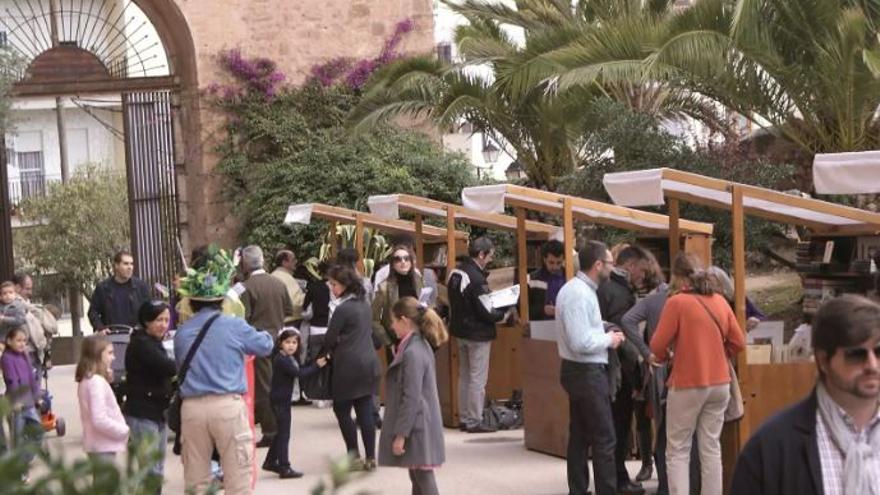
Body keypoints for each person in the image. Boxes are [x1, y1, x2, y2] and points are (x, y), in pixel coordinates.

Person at [731, 294, 880, 495]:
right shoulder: (770, 449)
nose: (872, 365)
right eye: (856, 355)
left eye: (878, 352)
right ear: (823, 361)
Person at [174, 247, 274, 494]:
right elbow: (265, 345)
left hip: (192, 410)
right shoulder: (233, 325)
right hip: (227, 406)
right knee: (237, 479)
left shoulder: (182, 333)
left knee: (197, 482)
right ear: (222, 299)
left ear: (191, 302)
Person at [650, 253, 746, 495]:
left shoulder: (677, 302)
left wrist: (665, 357)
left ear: (680, 277)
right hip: (720, 384)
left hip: (686, 384)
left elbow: (657, 345)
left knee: (678, 450)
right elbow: (738, 342)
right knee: (711, 447)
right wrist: (720, 352)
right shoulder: (720, 301)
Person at [621, 255, 701, 495]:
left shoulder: (656, 301)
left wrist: (647, 354)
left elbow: (627, 320)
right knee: (695, 438)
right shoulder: (701, 300)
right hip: (695, 373)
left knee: (666, 431)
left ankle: (667, 486)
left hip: (662, 372)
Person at [557, 241, 625, 495]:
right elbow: (580, 341)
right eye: (609, 263)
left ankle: (578, 489)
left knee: (581, 434)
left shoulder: (579, 290)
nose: (612, 268)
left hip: (580, 371)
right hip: (586, 371)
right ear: (598, 265)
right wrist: (611, 339)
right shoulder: (579, 294)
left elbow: (582, 331)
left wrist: (602, 326)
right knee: (604, 438)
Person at [378, 297, 447, 495]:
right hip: (419, 423)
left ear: (404, 321)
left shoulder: (412, 352)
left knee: (423, 476)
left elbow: (411, 397)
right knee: (417, 475)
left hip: (417, 425)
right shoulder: (418, 345)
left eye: (393, 321)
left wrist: (401, 435)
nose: (391, 326)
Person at [598, 245, 651, 495]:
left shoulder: (607, 287)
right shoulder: (619, 293)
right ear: (629, 266)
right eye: (641, 270)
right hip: (618, 370)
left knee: (613, 426)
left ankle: (614, 478)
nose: (643, 276)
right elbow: (623, 337)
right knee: (619, 425)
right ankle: (619, 479)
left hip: (606, 367)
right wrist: (638, 373)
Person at [448, 236, 507, 433]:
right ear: (481, 254)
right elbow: (486, 310)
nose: (490, 259)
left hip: (460, 331)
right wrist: (503, 315)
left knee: (464, 376)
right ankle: (474, 420)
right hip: (477, 333)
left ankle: (465, 417)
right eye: (489, 255)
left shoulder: (455, 272)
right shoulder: (476, 278)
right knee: (477, 378)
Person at [324, 264, 381, 470]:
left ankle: (353, 455)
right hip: (369, 361)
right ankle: (371, 457)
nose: (331, 288)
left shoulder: (342, 309)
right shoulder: (364, 304)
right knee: (365, 409)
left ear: (345, 285)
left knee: (342, 409)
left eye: (334, 284)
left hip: (347, 364)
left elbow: (329, 338)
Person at [239, 245, 295, 448]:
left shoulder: (246, 287)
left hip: (258, 342)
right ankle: (279, 427)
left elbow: (241, 317)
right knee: (278, 385)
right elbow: (289, 309)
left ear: (245, 263)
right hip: (278, 339)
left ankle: (271, 431)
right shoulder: (278, 283)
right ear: (263, 260)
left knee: (264, 388)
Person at [124, 301, 176, 493]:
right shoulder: (142, 344)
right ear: (146, 321)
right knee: (150, 470)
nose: (163, 324)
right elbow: (168, 367)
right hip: (142, 413)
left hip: (156, 412)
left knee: (157, 468)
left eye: (166, 320)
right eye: (158, 320)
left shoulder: (153, 342)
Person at [263, 328, 328, 479]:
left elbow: (299, 369)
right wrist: (317, 366)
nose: (291, 345)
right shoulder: (282, 360)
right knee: (284, 434)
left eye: (294, 342)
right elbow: (300, 373)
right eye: (287, 342)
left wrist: (314, 363)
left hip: (280, 399)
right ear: (280, 343)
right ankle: (284, 467)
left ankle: (271, 461)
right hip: (280, 401)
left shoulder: (286, 357)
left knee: (280, 433)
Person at [76, 335, 130, 462]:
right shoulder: (96, 382)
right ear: (97, 355)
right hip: (102, 444)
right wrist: (123, 430)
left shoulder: (89, 380)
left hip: (98, 443)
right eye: (110, 353)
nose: (114, 357)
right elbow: (99, 419)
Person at [1, 327, 44, 473]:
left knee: (38, 433)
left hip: (30, 403)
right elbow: (12, 381)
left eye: (24, 341)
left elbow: (32, 378)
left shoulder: (24, 355)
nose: (22, 344)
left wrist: (37, 396)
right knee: (17, 439)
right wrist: (16, 400)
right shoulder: (6, 358)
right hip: (16, 405)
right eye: (18, 340)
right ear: (9, 341)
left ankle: (22, 462)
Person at [372, 245, 424, 350]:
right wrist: (389, 343)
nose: (403, 262)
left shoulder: (418, 280)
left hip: (419, 336)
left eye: (406, 258)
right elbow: (374, 319)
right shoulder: (384, 287)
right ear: (392, 264)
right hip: (397, 340)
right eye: (398, 259)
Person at [88, 250, 151, 333]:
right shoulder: (103, 288)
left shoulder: (141, 287)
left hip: (136, 337)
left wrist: (138, 328)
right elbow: (93, 312)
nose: (130, 267)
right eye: (126, 263)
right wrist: (100, 328)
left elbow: (148, 312)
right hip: (111, 337)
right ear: (116, 265)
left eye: (131, 264)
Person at [528, 240, 566, 321]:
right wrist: (543, 310)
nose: (555, 267)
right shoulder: (534, 278)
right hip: (541, 326)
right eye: (551, 263)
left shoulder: (568, 277)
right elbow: (524, 308)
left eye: (559, 263)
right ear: (544, 259)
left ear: (563, 260)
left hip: (565, 325)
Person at [271, 250, 305, 327]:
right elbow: (295, 303)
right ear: (284, 262)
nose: (296, 262)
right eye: (293, 260)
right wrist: (308, 297)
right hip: (289, 321)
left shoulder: (272, 276)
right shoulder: (287, 278)